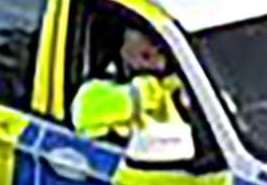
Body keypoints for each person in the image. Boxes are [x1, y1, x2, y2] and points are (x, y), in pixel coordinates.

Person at [71, 17, 186, 146]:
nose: (159, 64)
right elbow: (82, 112)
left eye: (161, 53)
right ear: (123, 51)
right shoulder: (94, 94)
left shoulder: (177, 81)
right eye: (145, 56)